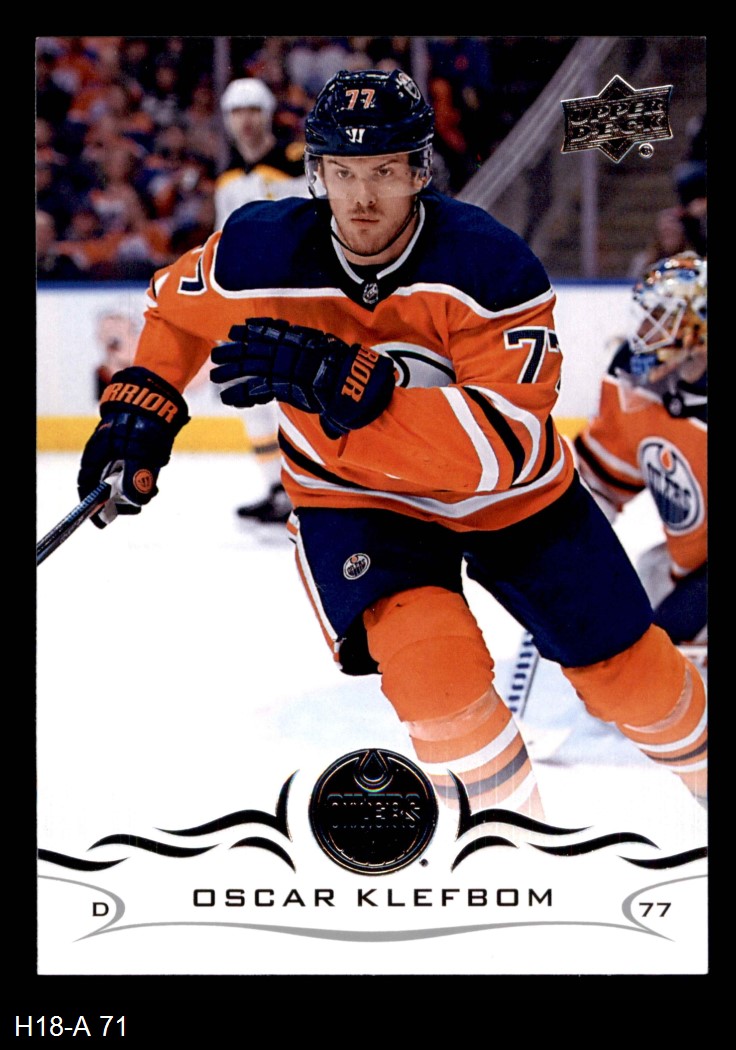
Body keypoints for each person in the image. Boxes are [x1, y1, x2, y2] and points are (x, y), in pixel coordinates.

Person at [76, 69, 707, 818]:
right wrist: (141, 410)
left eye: (382, 172)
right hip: (358, 499)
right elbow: (175, 311)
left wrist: (352, 387)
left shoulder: (490, 267)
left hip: (514, 501)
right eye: (343, 174)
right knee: (434, 679)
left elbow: (498, 448)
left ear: (418, 172)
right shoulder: (261, 248)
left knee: (632, 682)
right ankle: (512, 844)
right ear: (317, 174)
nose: (362, 198)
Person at [574, 253, 707, 650]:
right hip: (685, 562)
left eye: (660, 318)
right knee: (643, 591)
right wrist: (568, 551)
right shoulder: (632, 376)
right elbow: (601, 480)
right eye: (646, 316)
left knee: (663, 647)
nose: (643, 332)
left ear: (698, 327)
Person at [215, 77, 309, 525]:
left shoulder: (296, 162)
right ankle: (276, 487)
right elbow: (223, 241)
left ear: (267, 114)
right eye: (237, 112)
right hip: (251, 301)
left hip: (297, 297)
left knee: (296, 397)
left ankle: (304, 488)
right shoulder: (228, 179)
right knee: (252, 398)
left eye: (253, 110)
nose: (246, 120)